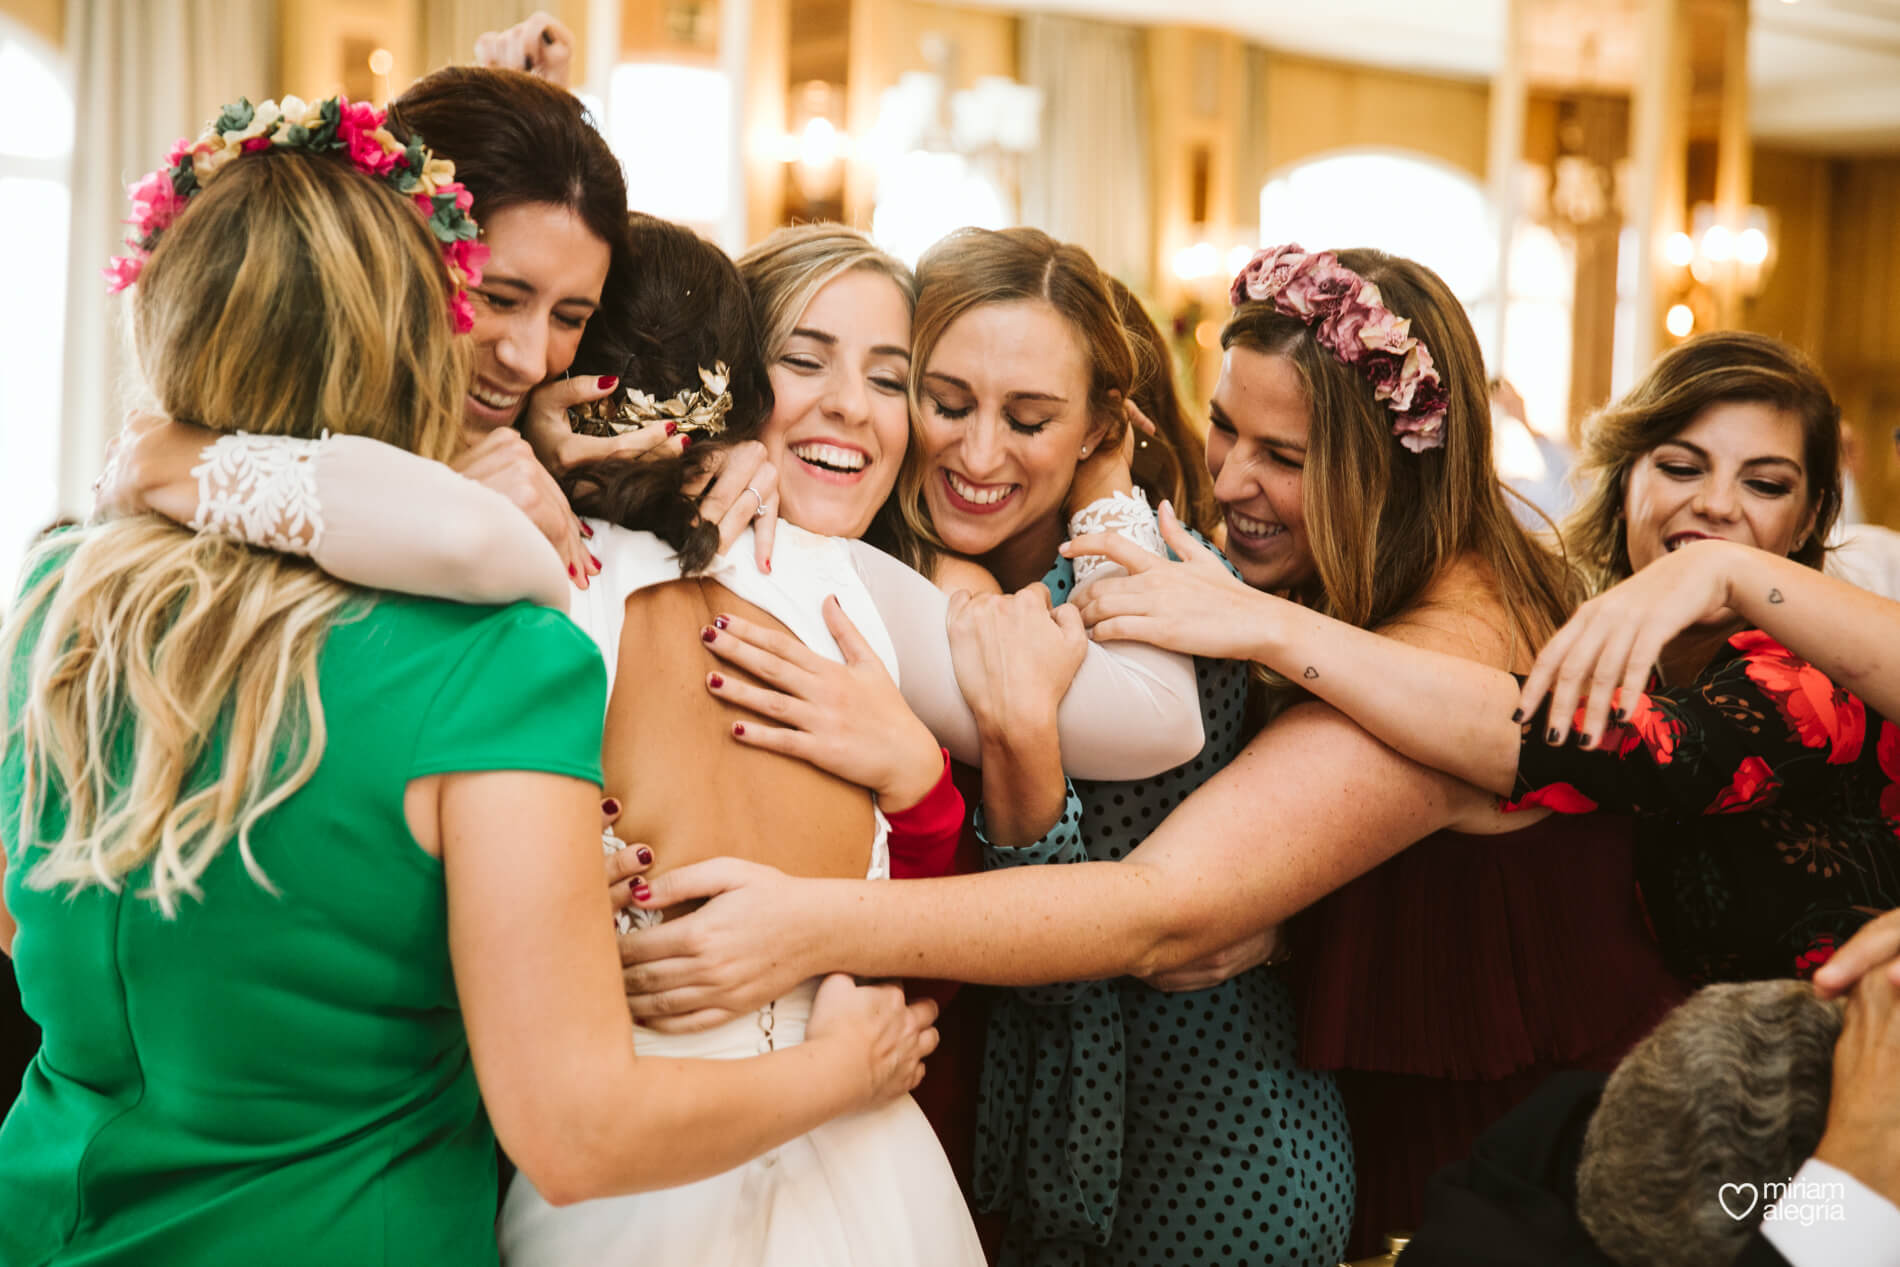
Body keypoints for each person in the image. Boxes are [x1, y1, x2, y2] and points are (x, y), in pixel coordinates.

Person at [0, 96, 934, 1267]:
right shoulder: (495, 651)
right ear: (409, 323)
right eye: (488, 298)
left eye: (572, 319)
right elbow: (579, 1128)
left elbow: (27, 917)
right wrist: (843, 1067)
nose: (527, 356)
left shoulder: (64, 604)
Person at [620, 244, 1684, 1260]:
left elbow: (1164, 913)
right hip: (1297, 1114)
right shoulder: (1277, 574)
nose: (1229, 482)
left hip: (1518, 1145)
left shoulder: (1432, 633)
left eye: (1285, 458)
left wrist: (799, 922)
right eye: (1225, 430)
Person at [1088, 330, 1900, 988]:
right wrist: (1286, 924)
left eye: (1764, 485)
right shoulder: (1581, 621)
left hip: (1827, 1114)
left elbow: (1624, 748)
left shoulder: (1813, 684)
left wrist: (1266, 625)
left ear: (1810, 516)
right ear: (1622, 483)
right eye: (1681, 467)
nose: (1716, 504)